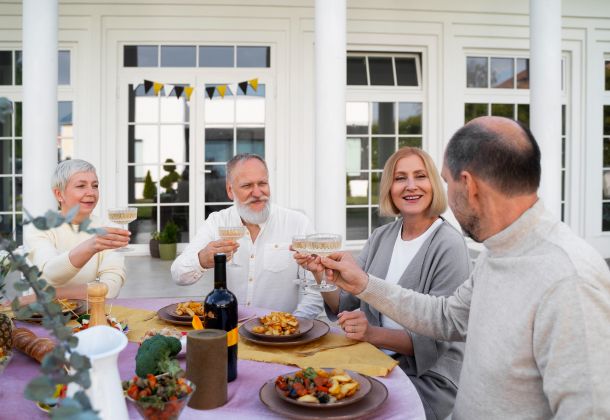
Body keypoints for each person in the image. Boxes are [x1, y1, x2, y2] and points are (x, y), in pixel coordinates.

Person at [320, 117, 610, 419]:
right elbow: (446, 317)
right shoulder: (496, 252)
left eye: (445, 181)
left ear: (468, 185)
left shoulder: (570, 277)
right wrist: (365, 285)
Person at [296, 147, 470, 419]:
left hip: (423, 378)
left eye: (420, 176)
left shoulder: (448, 244)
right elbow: (346, 303)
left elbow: (439, 338)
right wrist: (321, 274)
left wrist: (370, 334)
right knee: (307, 392)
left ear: (433, 183)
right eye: (400, 178)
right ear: (389, 187)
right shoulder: (381, 236)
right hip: (371, 361)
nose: (411, 186)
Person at [171, 153, 323, 319]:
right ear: (230, 190)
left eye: (262, 183)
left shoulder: (298, 223)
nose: (257, 192)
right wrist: (201, 259)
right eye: (247, 186)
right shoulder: (217, 221)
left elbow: (316, 290)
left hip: (280, 337)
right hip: (230, 328)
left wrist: (293, 325)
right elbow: (178, 274)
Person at [24, 159, 131, 299]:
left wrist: (52, 294)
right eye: (81, 186)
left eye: (95, 185)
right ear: (59, 194)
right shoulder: (39, 227)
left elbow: (111, 288)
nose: (91, 192)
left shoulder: (109, 229)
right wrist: (90, 246)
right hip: (44, 316)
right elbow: (51, 275)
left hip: (90, 314)